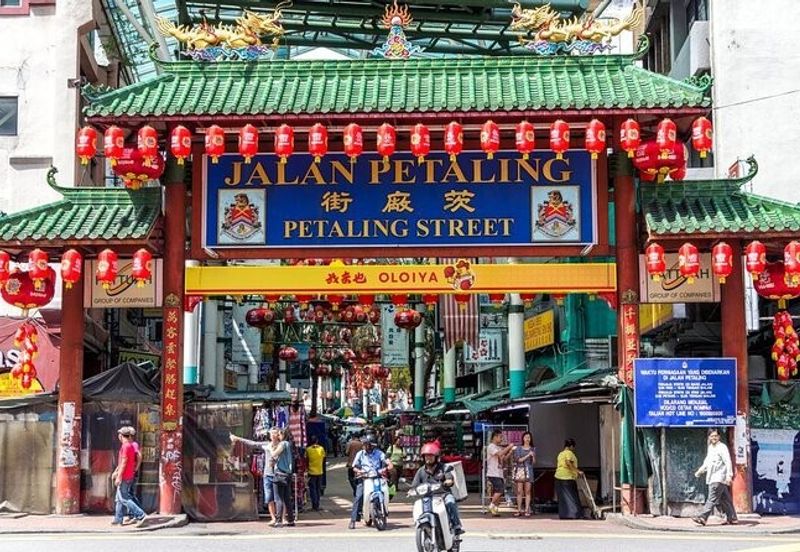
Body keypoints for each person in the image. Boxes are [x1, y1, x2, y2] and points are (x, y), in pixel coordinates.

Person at [411, 442, 464, 535]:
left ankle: (456, 525)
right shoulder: (421, 471)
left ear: (436, 457)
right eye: (426, 456)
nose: (428, 458)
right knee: (418, 505)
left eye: (431, 456)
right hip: (428, 497)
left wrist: (448, 481)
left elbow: (450, 478)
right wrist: (412, 490)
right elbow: (414, 485)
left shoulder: (444, 467)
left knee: (450, 502)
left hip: (443, 495)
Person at [231, 427, 280, 526]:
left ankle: (280, 517)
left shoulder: (282, 445)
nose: (272, 436)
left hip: (278, 474)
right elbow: (253, 443)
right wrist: (238, 438)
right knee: (269, 497)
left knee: (279, 498)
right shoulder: (266, 445)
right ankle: (273, 518)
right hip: (267, 474)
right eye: (271, 434)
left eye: (274, 434)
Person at [692, 429, 738, 526]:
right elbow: (707, 462)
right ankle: (732, 518)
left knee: (712, 498)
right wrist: (700, 471)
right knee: (725, 499)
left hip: (718, 477)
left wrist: (729, 475)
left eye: (716, 436)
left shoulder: (722, 447)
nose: (714, 438)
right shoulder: (711, 448)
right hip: (712, 477)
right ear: (709, 437)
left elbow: (727, 461)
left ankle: (703, 517)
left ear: (719, 437)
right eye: (712, 436)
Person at [349, 434, 392, 529]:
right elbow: (354, 467)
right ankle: (353, 520)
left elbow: (388, 463)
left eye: (366, 444)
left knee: (386, 491)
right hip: (364, 478)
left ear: (372, 445)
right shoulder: (360, 454)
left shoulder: (379, 453)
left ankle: (385, 510)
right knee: (359, 496)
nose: (364, 445)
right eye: (364, 444)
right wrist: (359, 471)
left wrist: (387, 468)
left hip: (377, 477)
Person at [111, 427, 147, 527]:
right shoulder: (129, 446)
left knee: (124, 498)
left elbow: (124, 462)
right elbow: (123, 461)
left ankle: (141, 515)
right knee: (119, 498)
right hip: (128, 475)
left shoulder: (126, 446)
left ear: (121, 436)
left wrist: (119, 476)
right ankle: (118, 519)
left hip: (125, 476)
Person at [486, 429, 515, 516]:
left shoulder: (498, 447)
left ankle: (494, 509)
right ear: (495, 437)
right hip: (493, 473)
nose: (501, 439)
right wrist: (509, 447)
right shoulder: (491, 446)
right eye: (500, 437)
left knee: (499, 491)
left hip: (499, 473)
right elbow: (499, 454)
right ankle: (491, 505)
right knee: (500, 490)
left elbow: (504, 458)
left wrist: (510, 452)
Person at [555, 438, 583, 519]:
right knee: (572, 496)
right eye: (573, 447)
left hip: (558, 477)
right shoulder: (569, 453)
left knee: (563, 498)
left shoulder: (560, 454)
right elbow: (568, 462)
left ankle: (564, 514)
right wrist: (578, 471)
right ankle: (574, 514)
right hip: (567, 477)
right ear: (571, 446)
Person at [512, 431, 536, 517]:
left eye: (529, 437)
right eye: (526, 437)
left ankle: (527, 509)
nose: (527, 439)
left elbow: (533, 462)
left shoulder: (532, 449)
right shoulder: (518, 448)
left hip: (529, 470)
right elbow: (518, 460)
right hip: (520, 470)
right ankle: (519, 510)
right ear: (523, 438)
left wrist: (532, 456)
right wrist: (528, 455)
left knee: (528, 491)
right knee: (519, 491)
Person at [306, 436, 326, 511]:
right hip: (320, 471)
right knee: (318, 489)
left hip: (311, 472)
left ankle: (314, 505)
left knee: (312, 489)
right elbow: (323, 458)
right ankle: (317, 504)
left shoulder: (308, 450)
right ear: (317, 441)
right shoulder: (321, 449)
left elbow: (306, 459)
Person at [345, 432, 363, 497]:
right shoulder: (362, 444)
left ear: (353, 437)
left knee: (350, 477)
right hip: (359, 464)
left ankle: (355, 489)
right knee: (358, 478)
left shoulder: (350, 443)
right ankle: (357, 489)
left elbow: (346, 452)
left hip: (351, 463)